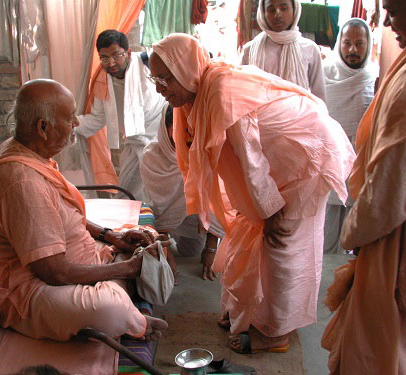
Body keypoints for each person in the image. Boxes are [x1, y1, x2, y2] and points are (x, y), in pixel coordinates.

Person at [148, 33, 355, 353]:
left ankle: (274, 333)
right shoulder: (194, 96)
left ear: (186, 68)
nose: (159, 86)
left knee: (281, 246)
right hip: (277, 164)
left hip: (303, 158)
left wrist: (271, 212)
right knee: (245, 236)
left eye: (165, 77)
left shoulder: (219, 90)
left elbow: (250, 159)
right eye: (155, 77)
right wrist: (257, 209)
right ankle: (242, 313)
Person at [0, 79, 168, 348]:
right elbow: (54, 273)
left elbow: (63, 211)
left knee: (148, 243)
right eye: (70, 118)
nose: (76, 124)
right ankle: (129, 314)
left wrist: (111, 236)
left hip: (69, 262)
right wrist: (127, 268)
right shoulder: (22, 181)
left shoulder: (23, 150)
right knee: (110, 309)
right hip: (28, 290)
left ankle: (116, 284)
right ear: (43, 128)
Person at [322, 0, 406, 373]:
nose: (387, 21)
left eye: (394, 10)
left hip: (399, 249)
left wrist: (354, 236)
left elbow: (388, 198)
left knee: (379, 352)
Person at [76, 30, 165, 202]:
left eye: (116, 55)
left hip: (161, 143)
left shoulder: (148, 65)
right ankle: (133, 226)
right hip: (134, 145)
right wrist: (71, 123)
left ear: (128, 52)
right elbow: (98, 118)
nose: (111, 63)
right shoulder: (103, 81)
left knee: (165, 194)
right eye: (104, 58)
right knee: (126, 193)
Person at [140, 103, 225, 281]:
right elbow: (159, 207)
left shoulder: (208, 150)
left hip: (195, 218)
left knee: (191, 253)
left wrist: (211, 247)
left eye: (188, 134)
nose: (183, 141)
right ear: (165, 129)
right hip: (165, 221)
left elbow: (219, 198)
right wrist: (165, 251)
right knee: (163, 263)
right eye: (176, 133)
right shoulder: (152, 156)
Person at [322, 18, 377, 254]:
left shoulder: (373, 79)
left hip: (358, 169)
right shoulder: (324, 74)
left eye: (359, 43)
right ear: (339, 44)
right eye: (347, 43)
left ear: (368, 45)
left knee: (352, 240)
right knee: (324, 238)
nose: (353, 50)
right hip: (329, 166)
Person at [241, 0, 326, 101]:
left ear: (294, 10)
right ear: (263, 13)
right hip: (260, 116)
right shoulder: (250, 50)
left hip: (299, 116)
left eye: (284, 8)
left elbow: (319, 96)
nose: (277, 14)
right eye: (271, 10)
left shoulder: (310, 49)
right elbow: (242, 90)